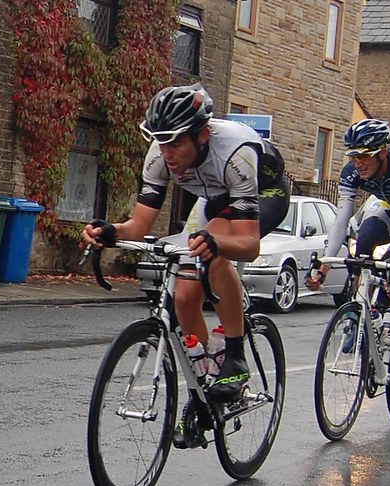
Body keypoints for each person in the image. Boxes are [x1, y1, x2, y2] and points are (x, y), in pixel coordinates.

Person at [81, 83, 290, 407]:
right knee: (184, 296)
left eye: (176, 143)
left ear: (202, 134)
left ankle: (235, 357)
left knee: (213, 253)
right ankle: (206, 386)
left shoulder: (237, 153)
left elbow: (248, 245)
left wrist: (217, 244)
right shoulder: (159, 153)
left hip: (263, 194)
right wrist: (111, 232)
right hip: (213, 198)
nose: (168, 153)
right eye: (162, 142)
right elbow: (139, 226)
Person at [307, 118, 390, 413]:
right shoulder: (352, 171)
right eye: (353, 155)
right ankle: (365, 311)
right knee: (364, 240)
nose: (357, 162)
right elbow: (341, 221)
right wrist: (323, 266)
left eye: (364, 155)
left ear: (382, 153)